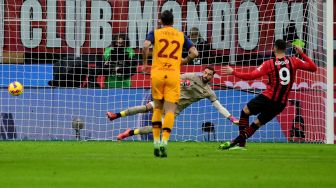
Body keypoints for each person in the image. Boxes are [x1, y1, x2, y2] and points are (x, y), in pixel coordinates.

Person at [219, 39, 317, 150]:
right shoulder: (294, 61)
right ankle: (237, 143)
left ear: (274, 48)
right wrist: (302, 53)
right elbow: (314, 67)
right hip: (281, 103)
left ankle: (240, 144)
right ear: (285, 49)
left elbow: (251, 76)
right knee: (257, 123)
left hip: (267, 97)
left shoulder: (269, 63)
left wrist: (233, 72)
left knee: (245, 111)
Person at [106, 66, 239, 140]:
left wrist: (231, 118)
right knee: (146, 108)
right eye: (205, 72)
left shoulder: (209, 92)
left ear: (211, 77)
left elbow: (218, 106)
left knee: (156, 128)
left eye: (209, 74)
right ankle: (116, 115)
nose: (206, 75)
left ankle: (130, 132)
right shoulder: (191, 76)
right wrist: (181, 82)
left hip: (174, 110)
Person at [141, 10, 198, 157]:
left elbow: (146, 46)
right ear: (173, 22)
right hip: (173, 74)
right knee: (170, 110)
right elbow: (195, 53)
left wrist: (145, 63)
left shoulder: (155, 33)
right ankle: (164, 142)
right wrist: (184, 61)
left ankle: (155, 142)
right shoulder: (180, 35)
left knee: (157, 108)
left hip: (158, 74)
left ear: (161, 21)